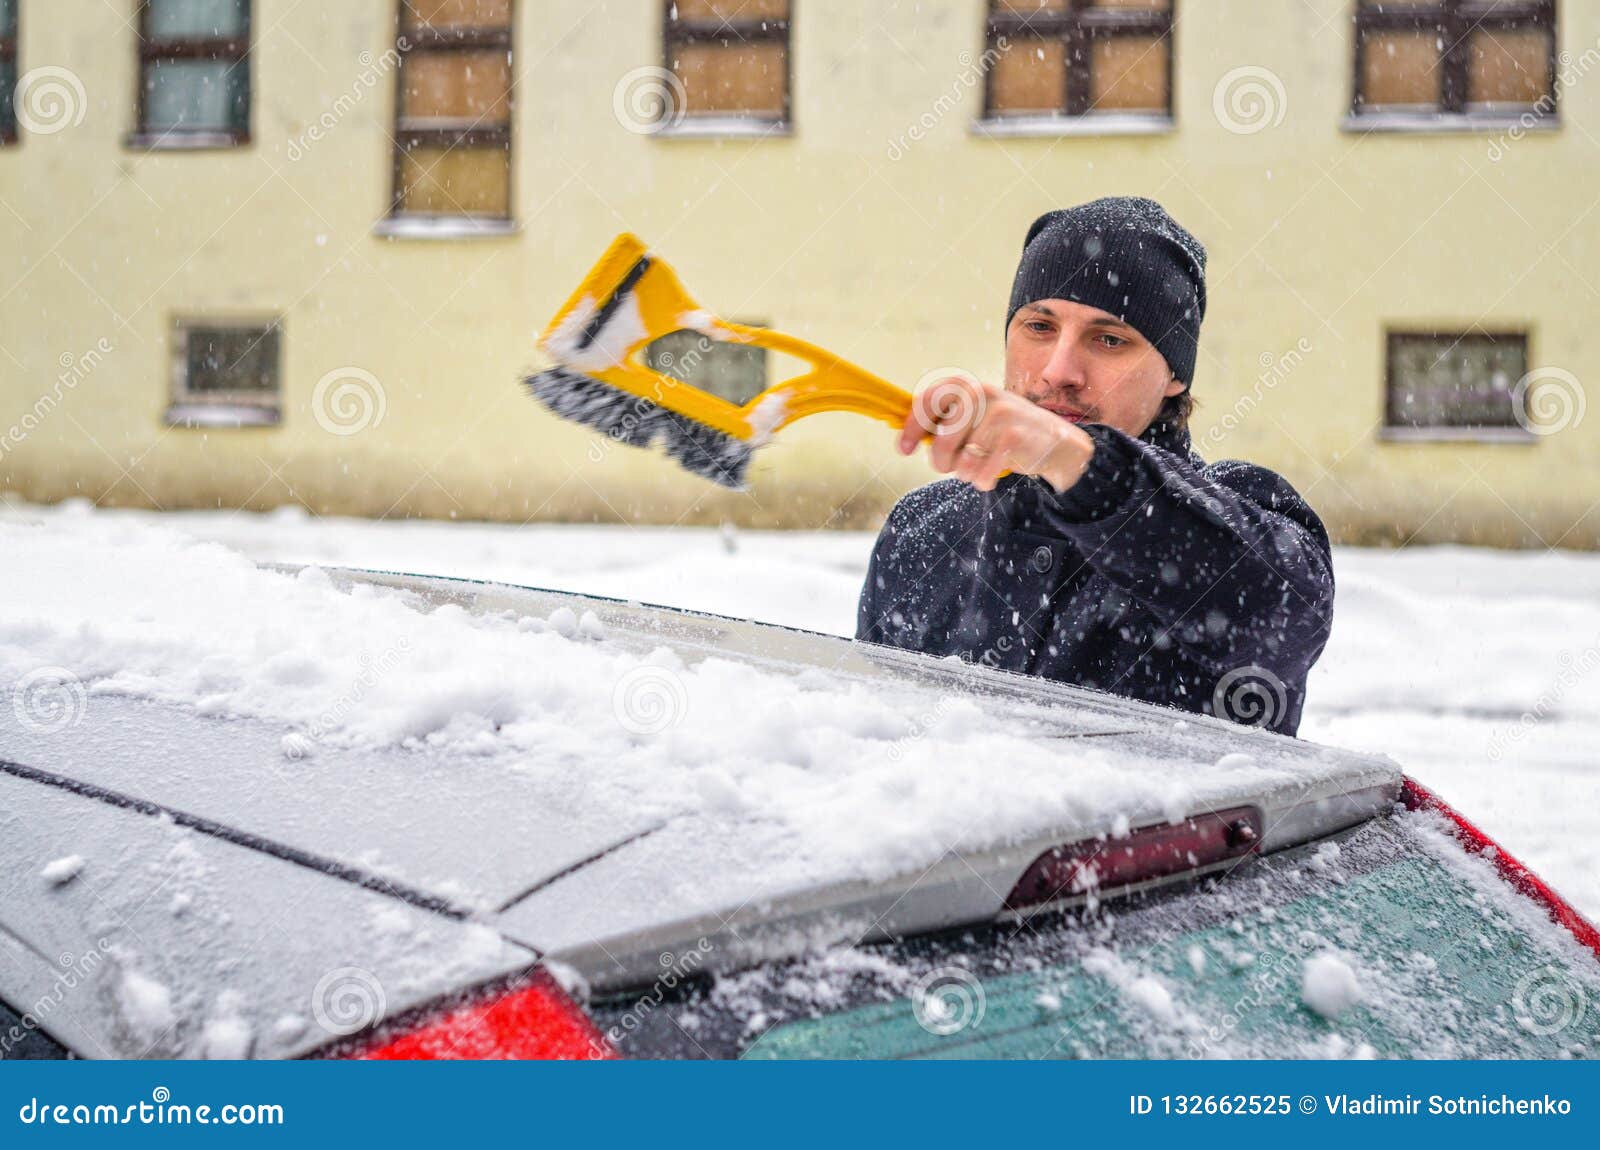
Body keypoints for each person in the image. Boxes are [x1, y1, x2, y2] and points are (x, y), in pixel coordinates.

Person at [855, 196, 1332, 736]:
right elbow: (876, 739)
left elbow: (1283, 618)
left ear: (1176, 375)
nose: (1059, 371)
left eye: (1109, 339)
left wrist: (1078, 464)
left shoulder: (1240, 510)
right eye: (1039, 327)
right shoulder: (923, 527)